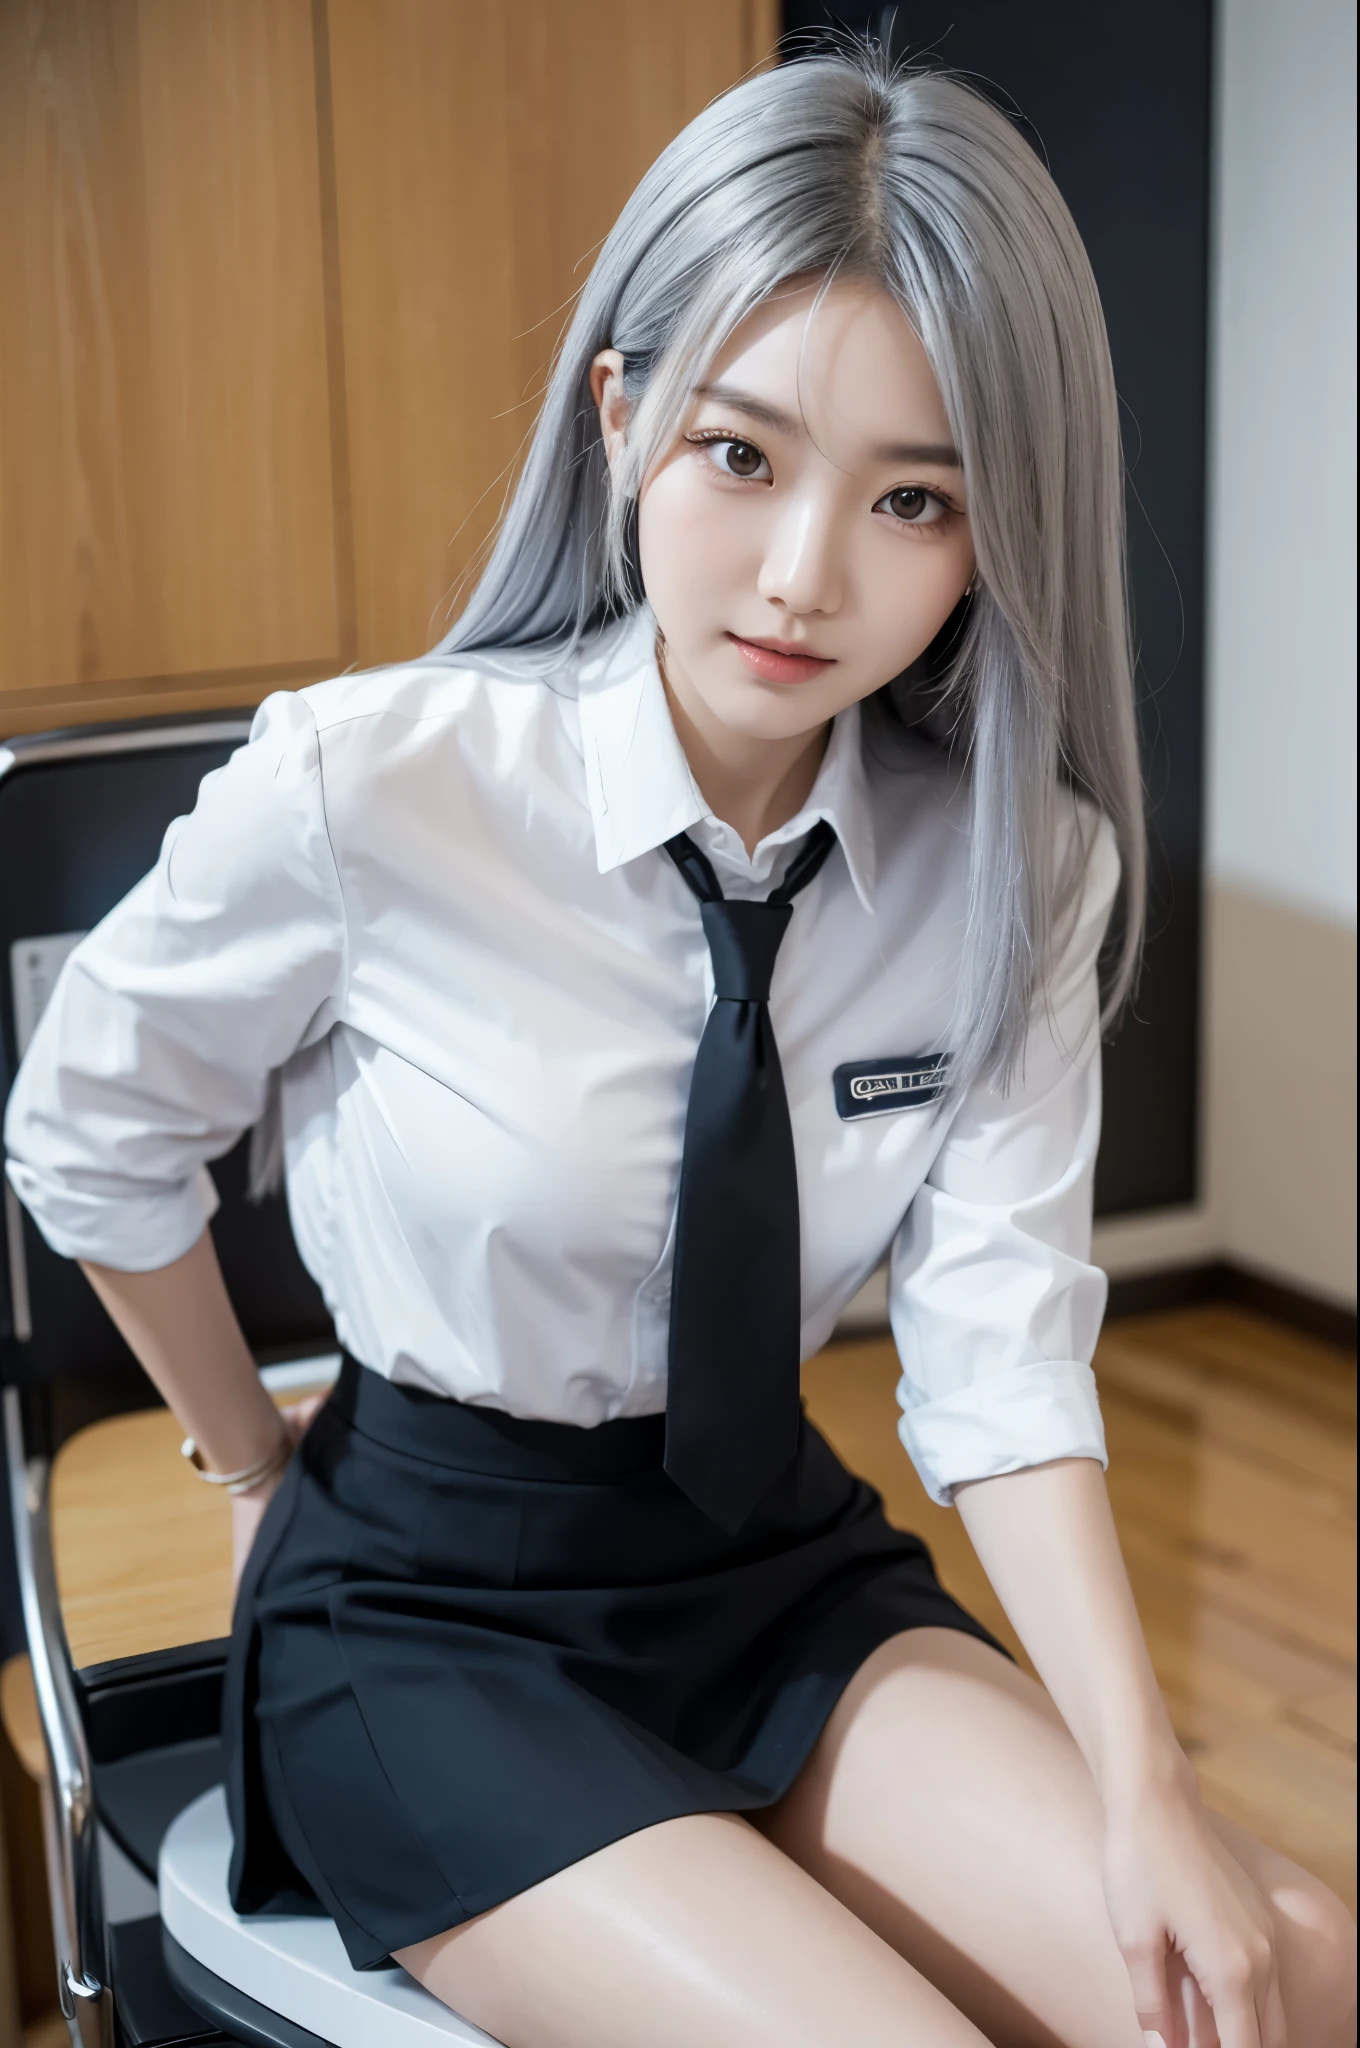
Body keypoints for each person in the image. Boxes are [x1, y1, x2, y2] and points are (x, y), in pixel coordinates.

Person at [5, 46, 1354, 2048]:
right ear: (623, 416)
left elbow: (994, 1359)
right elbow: (87, 1127)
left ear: (992, 539)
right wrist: (245, 1458)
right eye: (742, 454)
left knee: (1287, 1973)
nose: (808, 572)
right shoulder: (375, 786)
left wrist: (1146, 1789)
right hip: (423, 1612)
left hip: (768, 1570)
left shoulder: (1009, 868)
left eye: (912, 498)